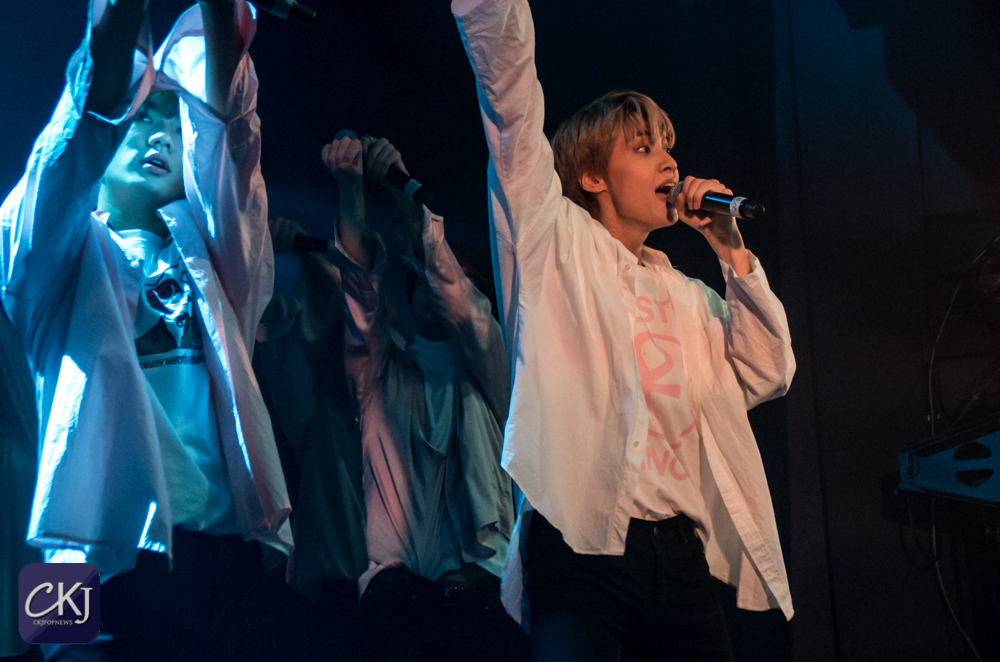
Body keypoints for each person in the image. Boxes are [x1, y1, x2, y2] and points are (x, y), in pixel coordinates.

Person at [452, 1, 797, 660]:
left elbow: (768, 370)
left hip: (680, 558)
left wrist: (731, 250)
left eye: (668, 147)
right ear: (591, 176)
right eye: (644, 148)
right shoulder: (551, 246)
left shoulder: (689, 298)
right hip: (580, 547)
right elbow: (510, 101)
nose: (669, 163)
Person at [0, 1, 296, 659]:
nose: (160, 133)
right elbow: (90, 109)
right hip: (74, 560)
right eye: (143, 116)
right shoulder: (49, 257)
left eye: (171, 119)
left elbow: (229, 132)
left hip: (215, 554)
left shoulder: (219, 261)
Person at [318, 133, 527, 661]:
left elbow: (459, 299)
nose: (440, 290)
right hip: (400, 606)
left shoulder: (495, 374)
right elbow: (359, 292)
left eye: (461, 282)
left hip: (485, 602)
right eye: (426, 283)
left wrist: (404, 191)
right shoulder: (384, 375)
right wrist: (350, 189)